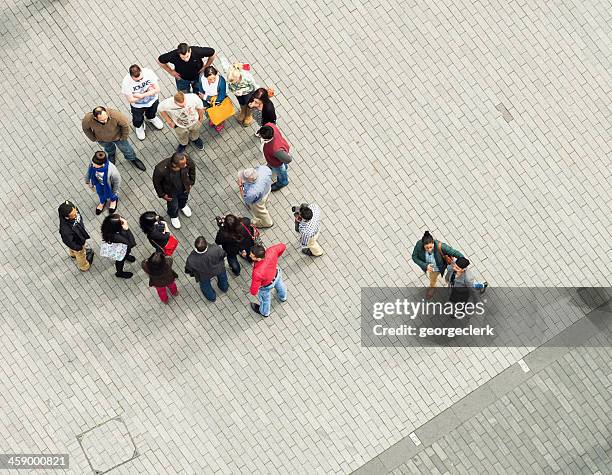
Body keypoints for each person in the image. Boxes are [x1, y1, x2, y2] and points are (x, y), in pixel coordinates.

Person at [81, 106, 146, 171]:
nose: (105, 121)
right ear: (95, 118)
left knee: (127, 149)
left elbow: (125, 125)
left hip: (118, 137)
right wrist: (93, 138)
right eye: (102, 120)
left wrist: (124, 137)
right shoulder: (88, 119)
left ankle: (132, 158)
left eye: (106, 118)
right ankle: (111, 154)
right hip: (102, 139)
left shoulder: (116, 115)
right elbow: (85, 129)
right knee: (108, 148)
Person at [411, 231, 464, 298]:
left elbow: (454, 252)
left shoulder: (441, 246)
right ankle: (433, 287)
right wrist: (425, 265)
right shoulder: (419, 245)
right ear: (423, 245)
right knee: (433, 279)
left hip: (444, 264)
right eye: (427, 248)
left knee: (451, 276)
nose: (429, 250)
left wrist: (463, 262)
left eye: (431, 247)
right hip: (433, 269)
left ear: (433, 243)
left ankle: (451, 284)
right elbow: (414, 257)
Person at [152, 152, 196, 229]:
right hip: (171, 192)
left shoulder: (186, 159)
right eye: (183, 165)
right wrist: (162, 194)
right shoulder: (160, 169)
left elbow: (192, 169)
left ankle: (182, 205)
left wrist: (191, 182)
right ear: (175, 165)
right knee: (173, 205)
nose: (186, 165)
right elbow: (156, 183)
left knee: (184, 198)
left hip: (184, 187)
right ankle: (173, 216)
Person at [121, 64, 164, 140]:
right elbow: (130, 100)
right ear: (131, 76)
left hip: (153, 100)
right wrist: (150, 91)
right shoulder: (126, 82)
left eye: (141, 78)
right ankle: (139, 126)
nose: (140, 81)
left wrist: (141, 96)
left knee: (152, 111)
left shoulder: (148, 72)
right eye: (137, 80)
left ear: (141, 71)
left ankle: (151, 118)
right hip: (137, 106)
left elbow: (157, 89)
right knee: (137, 118)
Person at [184, 236, 229, 302]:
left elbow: (188, 270)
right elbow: (223, 255)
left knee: (205, 286)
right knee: (223, 278)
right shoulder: (215, 248)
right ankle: (224, 288)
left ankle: (212, 297)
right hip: (218, 269)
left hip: (203, 275)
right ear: (206, 244)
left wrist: (194, 274)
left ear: (196, 246)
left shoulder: (191, 259)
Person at [249, 243, 287, 317]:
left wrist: (253, 291)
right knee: (280, 285)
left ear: (259, 259)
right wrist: (276, 257)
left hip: (267, 285)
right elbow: (283, 246)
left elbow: (254, 291)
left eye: (252, 256)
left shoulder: (257, 273)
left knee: (265, 300)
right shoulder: (271, 251)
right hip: (276, 274)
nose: (250, 256)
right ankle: (283, 297)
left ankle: (264, 312)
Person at [58, 201, 94, 271]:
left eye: (76, 212)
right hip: (77, 243)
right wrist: (79, 248)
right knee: (80, 254)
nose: (76, 215)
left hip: (77, 237)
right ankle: (84, 266)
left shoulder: (72, 209)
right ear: (67, 217)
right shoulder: (65, 230)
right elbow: (69, 241)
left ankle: (73, 254)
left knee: (73, 248)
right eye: (73, 215)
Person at [101, 214, 137, 279]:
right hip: (121, 250)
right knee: (120, 260)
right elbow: (132, 243)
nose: (123, 220)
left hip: (121, 247)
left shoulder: (108, 228)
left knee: (125, 255)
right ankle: (119, 273)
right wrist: (127, 229)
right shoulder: (116, 236)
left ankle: (126, 256)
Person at [258, 124, 291, 191]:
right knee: (278, 164)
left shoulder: (275, 149)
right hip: (275, 156)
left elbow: (288, 159)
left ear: (266, 138)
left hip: (276, 164)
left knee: (281, 171)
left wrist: (280, 162)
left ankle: (283, 182)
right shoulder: (270, 125)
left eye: (260, 136)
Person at [198, 66, 228, 132]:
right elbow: (200, 86)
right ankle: (213, 119)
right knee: (209, 113)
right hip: (207, 101)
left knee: (219, 114)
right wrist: (201, 95)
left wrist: (206, 97)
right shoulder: (201, 77)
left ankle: (220, 123)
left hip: (217, 102)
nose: (213, 81)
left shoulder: (221, 82)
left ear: (216, 74)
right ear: (206, 77)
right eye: (210, 79)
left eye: (214, 78)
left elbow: (221, 96)